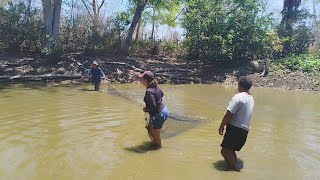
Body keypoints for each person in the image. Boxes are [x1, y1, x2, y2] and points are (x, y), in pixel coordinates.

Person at [218, 76, 254, 172]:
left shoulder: (238, 97)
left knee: (225, 151)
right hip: (244, 131)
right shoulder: (250, 98)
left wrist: (221, 126)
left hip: (235, 129)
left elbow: (229, 114)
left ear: (239, 85)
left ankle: (236, 171)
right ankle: (234, 166)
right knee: (231, 150)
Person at [138, 71, 169, 149]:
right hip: (164, 109)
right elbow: (162, 94)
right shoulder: (155, 86)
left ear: (146, 80)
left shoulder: (149, 91)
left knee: (156, 136)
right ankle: (155, 145)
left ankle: (158, 149)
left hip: (159, 114)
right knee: (150, 129)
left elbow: (152, 107)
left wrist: (145, 109)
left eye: (141, 78)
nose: (140, 80)